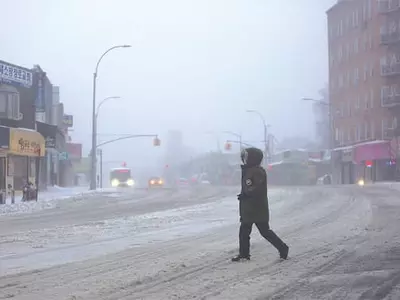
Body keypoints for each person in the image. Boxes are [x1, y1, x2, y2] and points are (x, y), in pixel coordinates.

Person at [232, 147, 289, 262]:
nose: (244, 159)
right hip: (250, 207)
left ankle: (282, 247)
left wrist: (246, 194)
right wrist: (245, 195)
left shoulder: (256, 171)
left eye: (246, 157)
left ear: (253, 158)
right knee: (246, 231)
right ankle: (244, 254)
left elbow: (255, 187)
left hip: (256, 207)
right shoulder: (250, 170)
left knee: (263, 231)